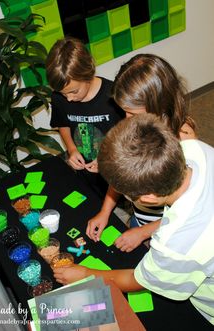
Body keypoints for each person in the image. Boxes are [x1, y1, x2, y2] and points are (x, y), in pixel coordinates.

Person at [53, 114, 214, 326]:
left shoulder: (176, 244)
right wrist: (146, 230)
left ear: (148, 197)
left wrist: (85, 274)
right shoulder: (194, 148)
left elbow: (138, 280)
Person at [86, 53, 197, 252]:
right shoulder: (136, 125)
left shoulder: (185, 140)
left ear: (160, 104)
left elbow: (190, 210)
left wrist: (144, 232)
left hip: (168, 229)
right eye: (123, 111)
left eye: (132, 113)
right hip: (141, 217)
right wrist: (104, 211)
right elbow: (121, 174)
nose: (126, 120)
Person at [46, 36, 124, 198]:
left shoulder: (114, 96)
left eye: (74, 92)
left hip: (116, 168)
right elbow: (63, 124)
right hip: (86, 171)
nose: (68, 99)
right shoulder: (60, 97)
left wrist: (108, 159)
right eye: (63, 94)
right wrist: (72, 149)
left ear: (88, 74)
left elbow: (129, 135)